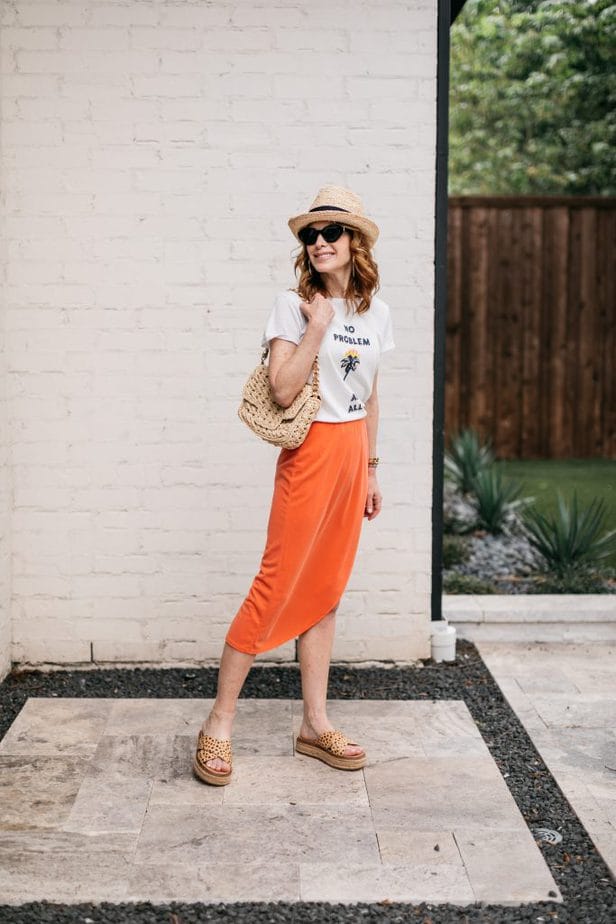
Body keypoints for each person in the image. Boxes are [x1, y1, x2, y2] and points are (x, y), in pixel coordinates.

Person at [193, 185, 395, 785]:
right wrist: (317, 327)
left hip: (352, 453)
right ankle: (218, 726)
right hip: (309, 453)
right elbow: (282, 390)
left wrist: (373, 468)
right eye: (311, 235)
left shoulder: (376, 313)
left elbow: (371, 394)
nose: (320, 243)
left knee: (327, 590)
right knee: (277, 582)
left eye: (332, 232)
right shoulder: (293, 305)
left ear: (355, 241)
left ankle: (314, 723)